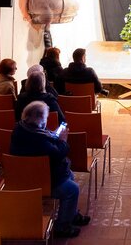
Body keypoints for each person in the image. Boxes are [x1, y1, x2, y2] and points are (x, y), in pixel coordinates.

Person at [9, 101, 91, 237]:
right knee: (72, 189)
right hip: (41, 180)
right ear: (41, 120)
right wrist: (63, 140)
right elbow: (58, 154)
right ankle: (62, 226)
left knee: (70, 175)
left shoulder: (19, 129)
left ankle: (71, 214)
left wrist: (52, 136)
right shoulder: (40, 140)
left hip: (22, 176)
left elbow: (43, 144)